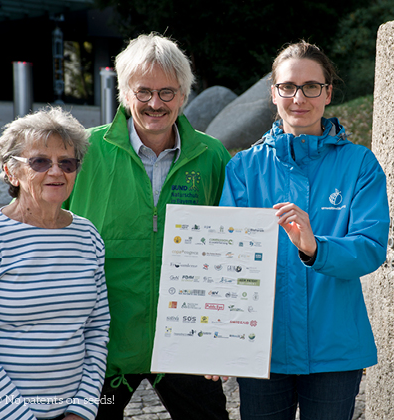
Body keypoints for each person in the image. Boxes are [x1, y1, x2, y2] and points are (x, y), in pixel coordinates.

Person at [63, 33, 231, 419]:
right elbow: (36, 224)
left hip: (188, 345)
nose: (155, 103)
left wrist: (228, 338)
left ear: (184, 95)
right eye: (144, 91)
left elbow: (234, 245)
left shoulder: (213, 156)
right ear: (124, 93)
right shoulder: (82, 153)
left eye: (168, 92)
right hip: (101, 352)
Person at [218, 40, 390, 420]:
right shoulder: (244, 168)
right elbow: (226, 261)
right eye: (288, 87)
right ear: (273, 93)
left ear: (328, 93)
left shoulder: (360, 164)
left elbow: (371, 247)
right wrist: (219, 340)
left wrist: (316, 248)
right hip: (264, 349)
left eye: (312, 86)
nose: (300, 97)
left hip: (335, 348)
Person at [0, 107, 110, 420]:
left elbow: (97, 330)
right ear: (11, 171)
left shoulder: (88, 235)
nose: (56, 172)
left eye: (67, 162)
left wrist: (82, 410)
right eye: (39, 162)